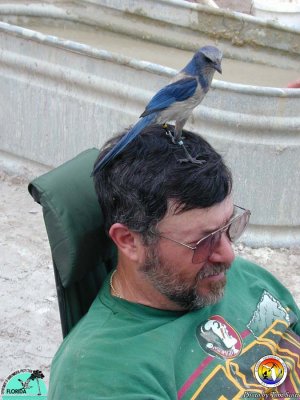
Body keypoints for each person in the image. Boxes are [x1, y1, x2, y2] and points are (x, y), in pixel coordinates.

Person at [48, 125, 300, 399]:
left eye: (229, 227)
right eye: (204, 241)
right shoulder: (102, 375)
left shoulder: (242, 279)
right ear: (129, 241)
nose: (229, 256)